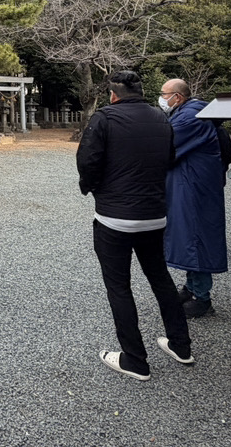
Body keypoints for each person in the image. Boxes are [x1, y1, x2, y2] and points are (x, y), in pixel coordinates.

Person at [77, 70, 193, 382]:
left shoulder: (104, 118)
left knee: (119, 286)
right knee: (160, 278)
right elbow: (169, 158)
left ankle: (135, 359)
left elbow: (88, 162)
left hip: (114, 217)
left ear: (113, 94)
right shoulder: (161, 118)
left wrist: (93, 189)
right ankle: (181, 345)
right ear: (141, 91)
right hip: (154, 214)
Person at [159, 78, 228, 318]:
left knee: (194, 236)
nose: (161, 98)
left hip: (193, 187)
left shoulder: (190, 117)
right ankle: (192, 287)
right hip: (191, 184)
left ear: (177, 97)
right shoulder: (192, 111)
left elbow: (165, 146)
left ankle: (202, 297)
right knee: (188, 235)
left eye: (164, 94)